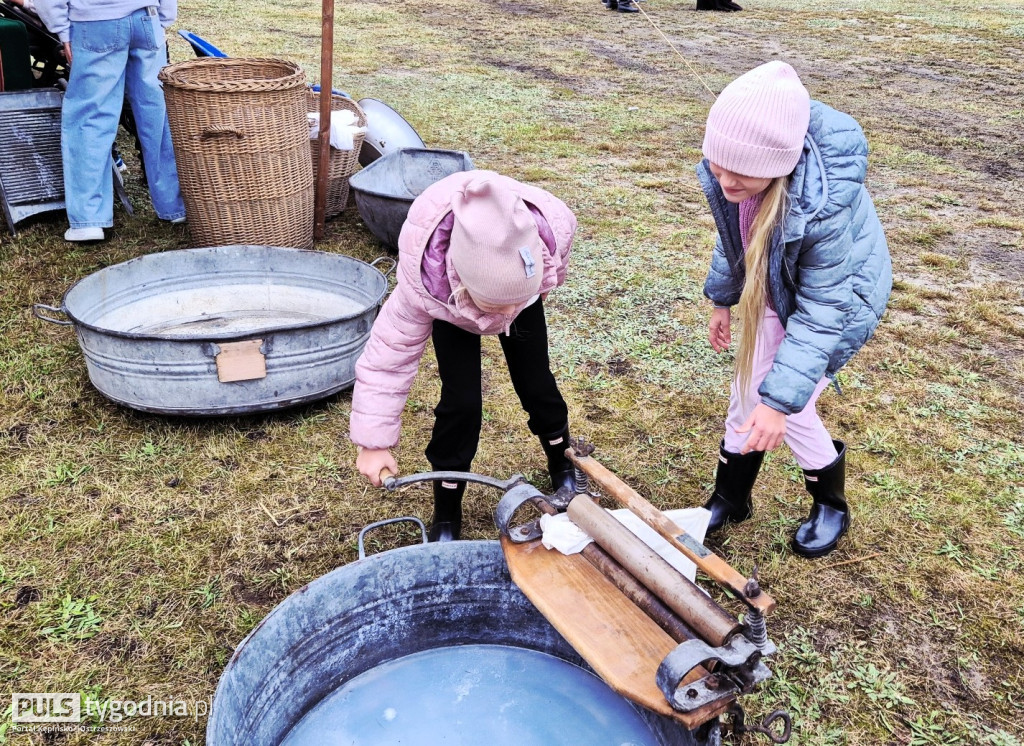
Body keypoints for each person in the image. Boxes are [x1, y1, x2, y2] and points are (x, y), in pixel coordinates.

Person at [696, 61, 892, 558]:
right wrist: (724, 298)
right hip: (777, 285)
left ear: (779, 164)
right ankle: (730, 497)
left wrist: (778, 403)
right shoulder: (734, 176)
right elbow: (735, 237)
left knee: (788, 400)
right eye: (717, 165)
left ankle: (831, 503)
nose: (724, 180)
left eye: (738, 170)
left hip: (838, 301)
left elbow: (824, 309)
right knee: (750, 391)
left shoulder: (822, 210)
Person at [351, 170, 578, 542]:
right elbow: (387, 361)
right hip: (453, 307)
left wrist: (524, 297)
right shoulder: (426, 283)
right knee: (462, 402)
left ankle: (561, 462)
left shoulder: (551, 227)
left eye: (508, 305)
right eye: (492, 306)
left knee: (536, 382)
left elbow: (558, 263)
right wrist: (373, 443)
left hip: (522, 291)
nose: (499, 318)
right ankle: (447, 509)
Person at [34, 0, 185, 242]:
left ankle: (89, 219)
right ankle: (174, 205)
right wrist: (163, 18)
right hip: (146, 17)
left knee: (90, 119)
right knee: (157, 113)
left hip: (94, 21)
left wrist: (61, 29)